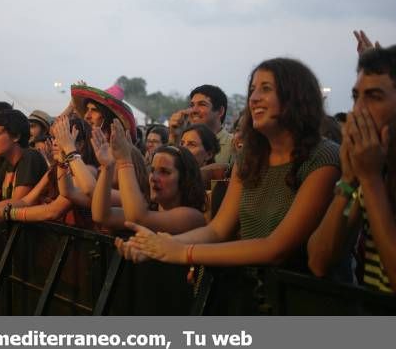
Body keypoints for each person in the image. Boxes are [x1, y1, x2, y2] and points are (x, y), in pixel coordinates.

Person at [120, 58, 340, 275]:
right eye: (252, 90)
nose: (253, 98)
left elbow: (276, 248)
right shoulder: (250, 157)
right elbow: (217, 230)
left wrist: (184, 252)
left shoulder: (323, 157)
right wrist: (156, 245)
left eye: (265, 89)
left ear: (296, 97)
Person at [308, 45, 396, 294]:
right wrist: (349, 180)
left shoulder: (374, 174)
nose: (357, 110)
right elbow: (319, 262)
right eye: (355, 97)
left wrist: (369, 180)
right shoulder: (375, 169)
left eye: (374, 97)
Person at [91, 119, 207, 233]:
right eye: (152, 170)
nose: (153, 178)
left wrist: (124, 160)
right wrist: (108, 166)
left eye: (165, 172)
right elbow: (101, 216)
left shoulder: (192, 216)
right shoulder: (147, 207)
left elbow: (137, 219)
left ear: (184, 179)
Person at [168, 84, 233, 166]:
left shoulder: (234, 145)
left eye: (202, 104)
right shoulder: (182, 142)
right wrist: (174, 136)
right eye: (192, 105)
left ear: (220, 111)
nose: (194, 110)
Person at [71, 84, 137, 141]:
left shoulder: (115, 150)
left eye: (94, 110)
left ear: (107, 115)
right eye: (87, 109)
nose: (87, 116)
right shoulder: (84, 141)